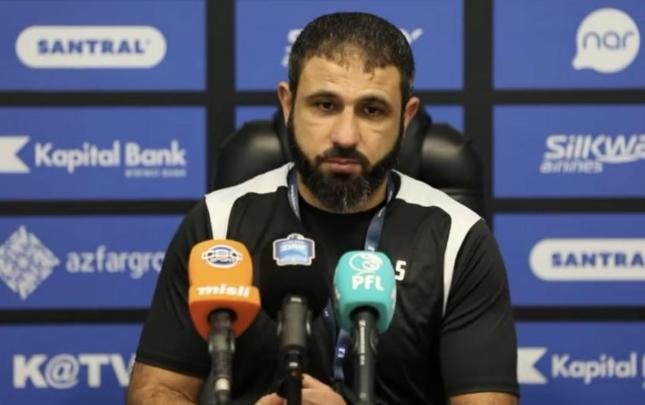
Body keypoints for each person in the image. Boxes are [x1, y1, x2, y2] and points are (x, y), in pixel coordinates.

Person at [127, 12, 518, 405]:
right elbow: (156, 391)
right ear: (288, 105)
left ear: (406, 118)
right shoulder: (217, 223)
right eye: (325, 105)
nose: (345, 136)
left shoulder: (459, 240)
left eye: (372, 110)